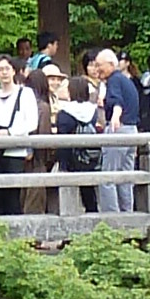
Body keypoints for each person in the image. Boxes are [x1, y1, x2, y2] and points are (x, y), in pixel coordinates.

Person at [0, 51, 39, 213]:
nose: (4, 72)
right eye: (0, 69)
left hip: (15, 153)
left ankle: (16, 236)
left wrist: (10, 133)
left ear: (13, 71)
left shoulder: (25, 93)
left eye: (7, 68)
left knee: (13, 198)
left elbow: (32, 122)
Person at [94, 42, 144, 217]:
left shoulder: (114, 80)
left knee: (108, 177)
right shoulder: (127, 81)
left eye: (99, 65)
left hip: (119, 129)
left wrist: (115, 116)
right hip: (132, 131)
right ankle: (127, 216)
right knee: (125, 177)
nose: (97, 69)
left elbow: (117, 101)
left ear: (110, 64)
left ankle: (112, 219)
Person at [46, 52, 99, 214]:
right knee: (89, 193)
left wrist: (62, 163)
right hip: (88, 158)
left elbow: (63, 139)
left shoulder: (65, 112)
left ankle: (69, 229)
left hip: (70, 158)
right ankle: (93, 219)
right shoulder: (92, 110)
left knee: (68, 195)